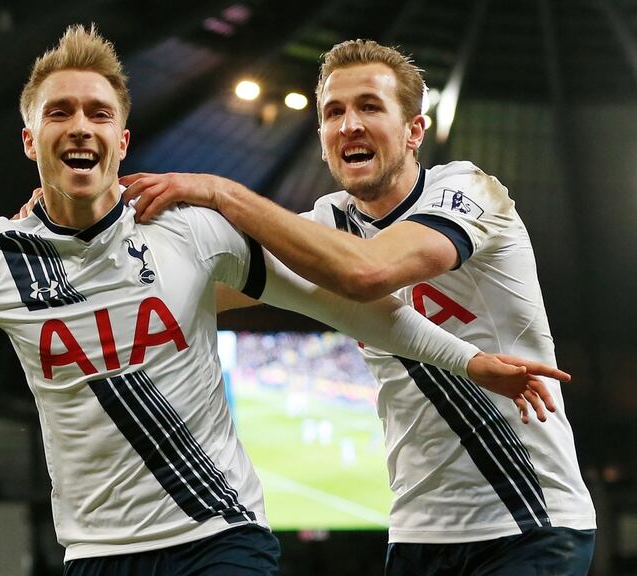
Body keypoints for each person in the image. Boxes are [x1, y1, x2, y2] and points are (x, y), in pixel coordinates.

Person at [0, 29, 566, 575]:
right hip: (98, 554)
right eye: (60, 114)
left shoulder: (197, 233)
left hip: (224, 539)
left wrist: (471, 360)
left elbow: (351, 300)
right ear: (29, 139)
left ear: (124, 138)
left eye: (96, 115)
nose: (79, 127)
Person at [119, 39, 595, 575]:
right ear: (322, 139)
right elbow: (189, 287)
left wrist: (222, 193)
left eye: (369, 106)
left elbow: (368, 273)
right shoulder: (325, 227)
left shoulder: (469, 191)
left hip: (529, 521)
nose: (349, 125)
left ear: (414, 131)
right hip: (418, 531)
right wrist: (65, 230)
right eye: (333, 112)